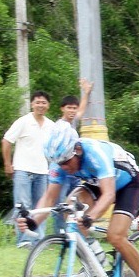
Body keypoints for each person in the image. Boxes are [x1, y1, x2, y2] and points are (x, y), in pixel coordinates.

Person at [16, 124, 139, 277]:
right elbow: (49, 197)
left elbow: (109, 195)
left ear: (78, 150)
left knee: (115, 236)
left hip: (127, 183)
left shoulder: (95, 153)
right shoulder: (60, 162)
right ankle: (98, 259)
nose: (64, 167)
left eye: (66, 162)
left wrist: (91, 217)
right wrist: (33, 222)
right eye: (60, 164)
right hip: (97, 183)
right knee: (69, 210)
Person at [2, 91, 55, 247]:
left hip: (43, 172)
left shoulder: (51, 126)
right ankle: (24, 240)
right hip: (22, 170)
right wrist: (7, 164)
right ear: (32, 104)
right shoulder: (23, 121)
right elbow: (6, 141)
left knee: (41, 208)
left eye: (44, 102)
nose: (40, 105)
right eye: (37, 102)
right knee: (22, 206)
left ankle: (39, 240)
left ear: (48, 105)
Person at [53, 79, 94, 232]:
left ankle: (77, 232)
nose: (72, 111)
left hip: (75, 170)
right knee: (60, 203)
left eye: (74, 108)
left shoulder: (73, 122)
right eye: (69, 108)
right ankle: (60, 233)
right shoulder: (58, 126)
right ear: (62, 109)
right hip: (63, 168)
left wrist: (86, 92)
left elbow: (81, 110)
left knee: (77, 202)